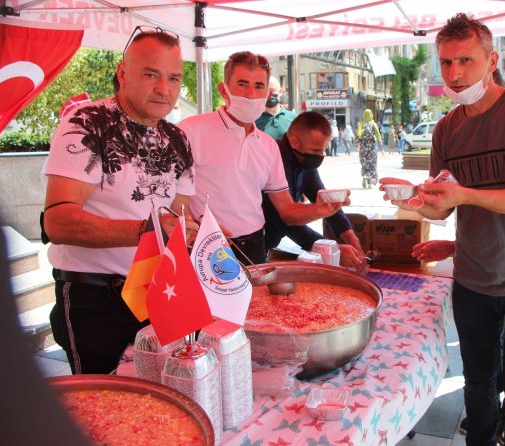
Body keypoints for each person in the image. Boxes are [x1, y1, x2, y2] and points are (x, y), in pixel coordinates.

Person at [382, 13, 505, 445]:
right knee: (478, 386)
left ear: (492, 60)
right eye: (445, 62)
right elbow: (440, 210)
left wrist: (468, 195)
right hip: (474, 278)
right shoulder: (446, 128)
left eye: (465, 60)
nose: (455, 73)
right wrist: (412, 201)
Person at [42, 27, 198, 374]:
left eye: (174, 78)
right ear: (122, 73)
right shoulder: (86, 123)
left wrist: (198, 234)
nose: (164, 89)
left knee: (167, 393)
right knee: (103, 408)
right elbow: (58, 222)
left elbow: (179, 213)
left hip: (161, 289)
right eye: (151, 74)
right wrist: (148, 230)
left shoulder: (177, 137)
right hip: (97, 296)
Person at [179, 51, 345, 265]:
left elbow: (287, 211)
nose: (250, 94)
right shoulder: (191, 131)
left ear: (267, 93)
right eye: (242, 83)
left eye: (258, 86)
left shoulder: (268, 145)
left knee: (255, 300)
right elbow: (170, 199)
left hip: (255, 245)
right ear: (223, 90)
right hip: (205, 246)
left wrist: (319, 210)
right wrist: (190, 227)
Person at [262, 111, 366, 271]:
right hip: (250, 245)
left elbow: (326, 201)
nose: (321, 156)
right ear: (295, 142)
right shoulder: (273, 159)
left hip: (269, 244)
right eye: (316, 150)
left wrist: (354, 242)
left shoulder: (304, 160)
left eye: (323, 150)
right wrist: (332, 249)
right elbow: (287, 220)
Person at [255, 75, 297, 141]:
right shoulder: (253, 119)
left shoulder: (293, 118)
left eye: (272, 90)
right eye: (265, 90)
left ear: (280, 92)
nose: (269, 94)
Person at [357, 109, 381, 189]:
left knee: (364, 163)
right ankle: (370, 183)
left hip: (363, 147)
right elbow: (378, 135)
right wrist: (381, 145)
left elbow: (358, 134)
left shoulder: (361, 124)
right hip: (372, 147)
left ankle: (364, 176)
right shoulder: (373, 124)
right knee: (372, 164)